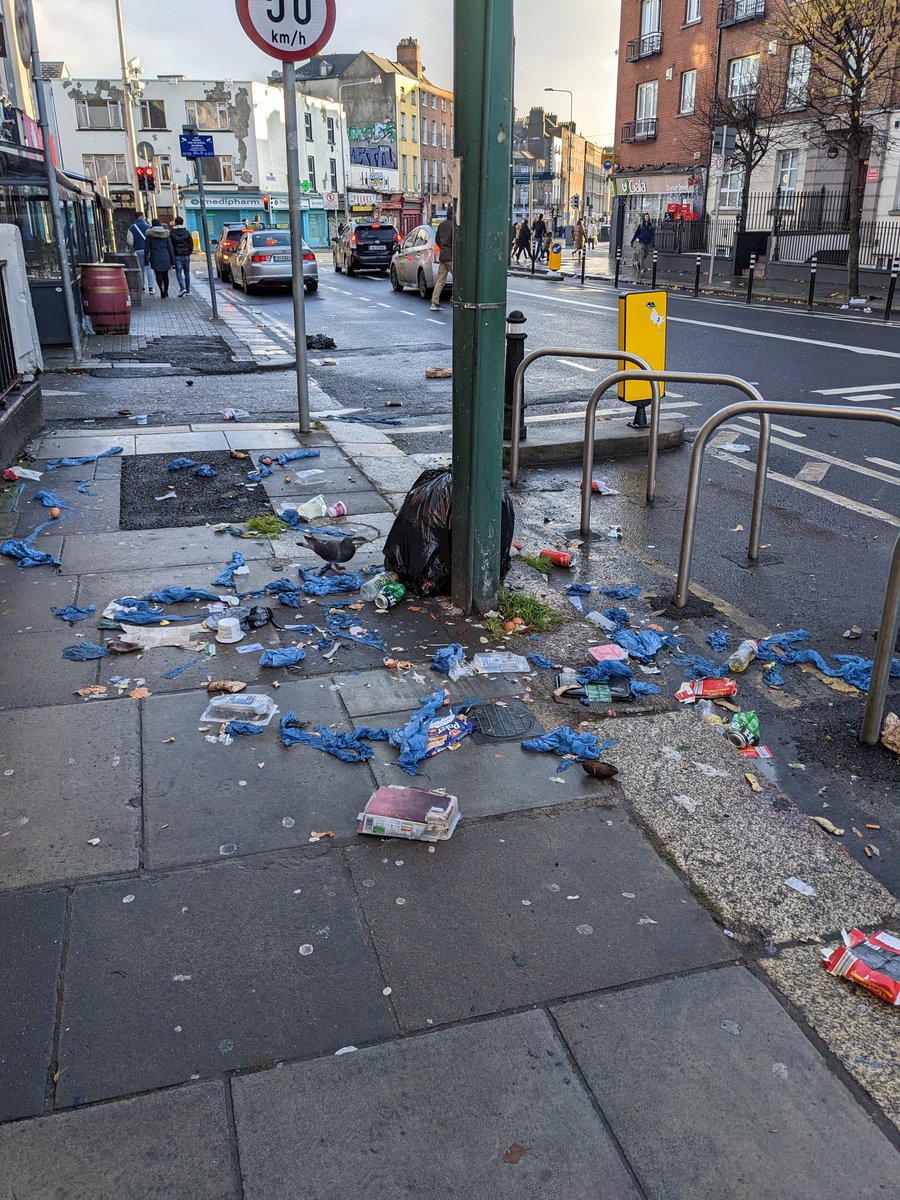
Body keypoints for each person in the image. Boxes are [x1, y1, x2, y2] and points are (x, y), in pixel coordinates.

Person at [144, 218, 175, 298]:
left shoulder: (150, 235)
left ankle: (161, 290)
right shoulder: (166, 234)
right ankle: (166, 291)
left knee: (158, 274)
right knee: (165, 274)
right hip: (166, 256)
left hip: (155, 256)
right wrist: (173, 261)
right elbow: (170, 248)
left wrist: (146, 260)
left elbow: (147, 248)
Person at [431, 205, 453, 312]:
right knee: (459, 280)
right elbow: (456, 242)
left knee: (440, 280)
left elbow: (437, 240)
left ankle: (434, 302)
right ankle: (458, 299)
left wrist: (442, 248)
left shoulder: (442, 225)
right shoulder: (454, 226)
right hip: (451, 257)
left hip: (443, 256)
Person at [126, 211, 153, 293]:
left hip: (138, 250)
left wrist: (135, 245)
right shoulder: (149, 227)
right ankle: (151, 287)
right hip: (148, 251)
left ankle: (142, 287)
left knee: (141, 269)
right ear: (141, 216)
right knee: (149, 268)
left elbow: (130, 241)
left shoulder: (131, 228)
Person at [169, 217, 194, 297]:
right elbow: (191, 244)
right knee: (187, 273)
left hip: (177, 256)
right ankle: (188, 291)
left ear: (176, 223)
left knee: (178, 273)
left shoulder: (172, 233)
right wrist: (189, 252)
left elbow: (170, 246)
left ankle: (182, 288)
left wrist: (172, 256)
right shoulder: (187, 232)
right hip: (186, 255)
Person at [630, 212, 656, 277]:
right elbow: (636, 233)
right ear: (644, 217)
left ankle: (638, 263)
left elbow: (652, 235)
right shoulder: (641, 225)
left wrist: (652, 243)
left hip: (647, 242)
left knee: (646, 254)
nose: (647, 218)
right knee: (642, 254)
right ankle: (642, 268)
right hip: (641, 241)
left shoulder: (651, 226)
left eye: (648, 216)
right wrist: (632, 241)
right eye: (646, 216)